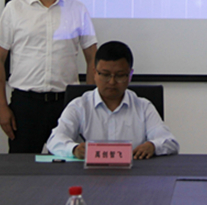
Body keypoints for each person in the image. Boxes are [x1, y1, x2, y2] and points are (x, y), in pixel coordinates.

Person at [0, 0, 98, 153]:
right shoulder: (15, 8)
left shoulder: (77, 9)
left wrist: (88, 100)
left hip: (66, 103)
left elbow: (93, 57)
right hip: (25, 104)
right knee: (23, 165)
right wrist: (2, 106)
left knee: (68, 162)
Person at [47, 40, 179, 159]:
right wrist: (74, 149)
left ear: (130, 75)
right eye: (105, 75)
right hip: (88, 175)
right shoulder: (79, 106)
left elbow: (170, 142)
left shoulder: (143, 107)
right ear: (94, 72)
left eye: (120, 75)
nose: (112, 82)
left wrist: (153, 146)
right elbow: (54, 140)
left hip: (134, 174)